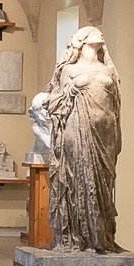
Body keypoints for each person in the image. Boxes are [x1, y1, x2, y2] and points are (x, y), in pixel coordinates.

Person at [46, 26, 123, 252]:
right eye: (92, 31)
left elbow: (116, 105)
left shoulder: (109, 70)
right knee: (78, 179)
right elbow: (55, 102)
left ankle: (102, 238)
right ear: (81, 41)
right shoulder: (68, 70)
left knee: (104, 184)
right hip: (77, 129)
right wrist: (69, 92)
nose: (99, 32)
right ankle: (78, 238)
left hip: (105, 132)